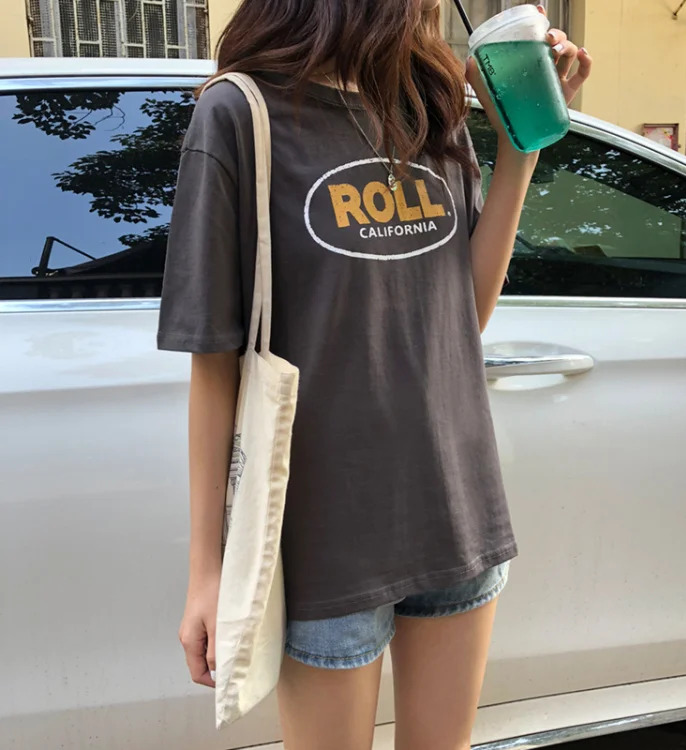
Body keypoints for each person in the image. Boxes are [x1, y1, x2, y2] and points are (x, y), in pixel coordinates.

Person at [158, 1, 591, 748]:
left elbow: (465, 313)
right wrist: (209, 571)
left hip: (455, 509)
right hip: (325, 539)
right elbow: (215, 363)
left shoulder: (429, 104)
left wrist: (520, 147)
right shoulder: (241, 113)